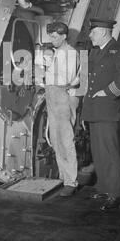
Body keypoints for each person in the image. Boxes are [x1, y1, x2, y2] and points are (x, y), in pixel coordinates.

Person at [81, 17, 120, 210]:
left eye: (93, 32)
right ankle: (104, 187)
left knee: (110, 152)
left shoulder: (117, 50)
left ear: (104, 32)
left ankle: (116, 193)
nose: (90, 35)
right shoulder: (96, 51)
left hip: (107, 109)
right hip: (94, 110)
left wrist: (108, 92)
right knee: (98, 151)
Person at [44, 22, 80, 197]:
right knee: (56, 139)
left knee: (66, 139)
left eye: (55, 36)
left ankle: (71, 182)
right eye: (50, 36)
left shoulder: (70, 53)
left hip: (62, 96)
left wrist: (46, 70)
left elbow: (66, 79)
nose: (52, 39)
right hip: (52, 95)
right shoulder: (57, 52)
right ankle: (62, 176)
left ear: (64, 36)